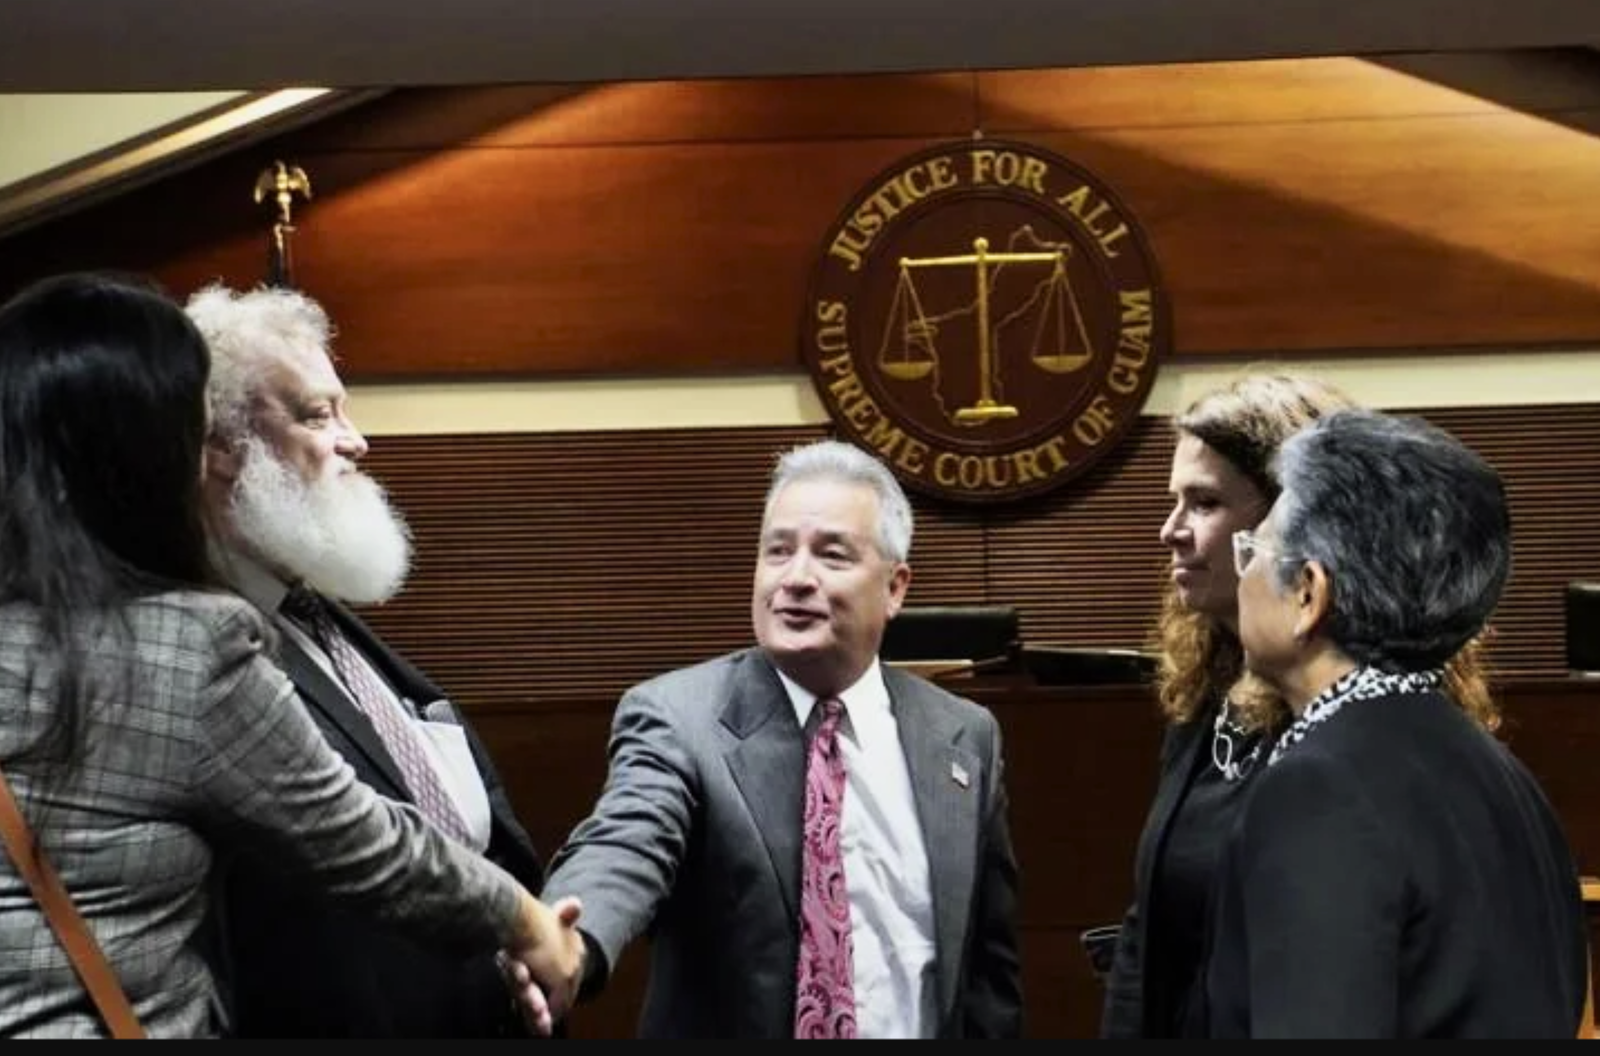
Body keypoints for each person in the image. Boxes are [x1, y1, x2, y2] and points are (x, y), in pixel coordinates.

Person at [0, 272, 583, 1039]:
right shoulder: (188, 642)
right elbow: (371, 850)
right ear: (182, 449)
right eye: (317, 413)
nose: (357, 440)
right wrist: (528, 922)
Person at [539, 438, 1022, 1038]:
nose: (796, 578)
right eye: (777, 551)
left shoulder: (964, 737)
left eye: (831, 556)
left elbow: (987, 975)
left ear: (895, 588)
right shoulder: (679, 718)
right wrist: (569, 935)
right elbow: (627, 841)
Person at [183, 281, 551, 1038]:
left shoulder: (316, 610)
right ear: (220, 447)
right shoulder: (205, 648)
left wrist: (525, 944)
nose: (357, 440)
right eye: (318, 414)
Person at [1098, 372, 1497, 1038]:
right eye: (1175, 500)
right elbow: (1149, 931)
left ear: (1293, 518)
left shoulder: (1371, 735)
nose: (1170, 530)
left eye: (1203, 503)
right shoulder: (1206, 700)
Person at [1201, 408, 1587, 1038]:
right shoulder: (1503, 774)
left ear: (1308, 593)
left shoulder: (1318, 789)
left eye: (1253, 548)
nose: (1242, 574)